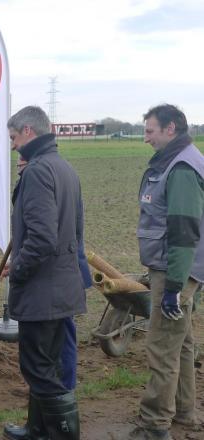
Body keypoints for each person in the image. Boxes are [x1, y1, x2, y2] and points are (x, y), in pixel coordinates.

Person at [1, 106, 86, 440]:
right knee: (46, 365)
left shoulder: (37, 171)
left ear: (27, 131)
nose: (12, 146)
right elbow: (75, 234)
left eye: (13, 138)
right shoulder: (64, 168)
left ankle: (62, 435)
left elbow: (42, 238)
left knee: (37, 367)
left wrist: (19, 271)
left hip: (43, 291)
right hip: (62, 284)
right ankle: (37, 430)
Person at [123, 104, 204, 440]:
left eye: (150, 131)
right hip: (180, 269)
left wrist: (173, 286)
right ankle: (185, 412)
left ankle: (154, 425)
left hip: (175, 272)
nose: (146, 138)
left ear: (170, 128)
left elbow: (184, 232)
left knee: (161, 346)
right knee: (181, 343)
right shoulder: (178, 160)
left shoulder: (182, 167)